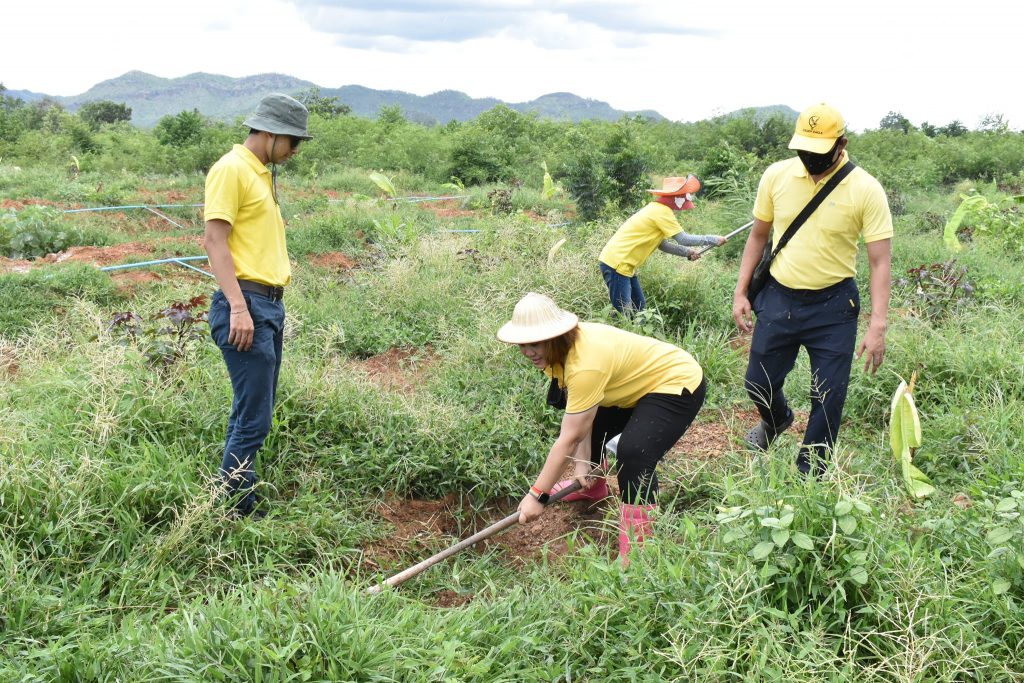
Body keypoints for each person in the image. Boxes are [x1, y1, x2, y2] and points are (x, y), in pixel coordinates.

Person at [732, 102, 892, 476]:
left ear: (841, 144)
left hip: (833, 305)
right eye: (803, 150)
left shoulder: (866, 189)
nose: (809, 159)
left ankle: (811, 473)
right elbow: (758, 236)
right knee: (758, 382)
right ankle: (778, 419)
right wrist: (741, 291)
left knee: (828, 396)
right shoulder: (776, 176)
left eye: (818, 152)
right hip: (779, 297)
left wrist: (878, 324)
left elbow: (879, 261)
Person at [497, 292, 707, 564]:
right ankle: (591, 486)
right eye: (522, 344)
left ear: (555, 335)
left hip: (676, 383)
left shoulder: (585, 364)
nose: (527, 352)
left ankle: (639, 549)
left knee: (634, 453)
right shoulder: (557, 352)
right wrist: (583, 464)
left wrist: (537, 495)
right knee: (585, 417)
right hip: (632, 387)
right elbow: (582, 416)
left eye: (534, 343)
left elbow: (569, 438)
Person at [203, 93, 312, 518]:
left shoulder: (260, 173)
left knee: (250, 412)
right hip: (246, 306)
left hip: (266, 305)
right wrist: (239, 308)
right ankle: (233, 508)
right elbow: (214, 240)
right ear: (269, 133)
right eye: (292, 141)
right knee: (255, 419)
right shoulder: (231, 169)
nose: (295, 150)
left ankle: (229, 499)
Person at [598, 175, 726, 315]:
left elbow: (662, 244)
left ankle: (628, 329)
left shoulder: (656, 209)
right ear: (675, 197)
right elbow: (683, 238)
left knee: (639, 308)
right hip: (616, 264)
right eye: (683, 196)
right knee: (625, 313)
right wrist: (712, 239)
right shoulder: (661, 211)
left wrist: (688, 252)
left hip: (624, 265)